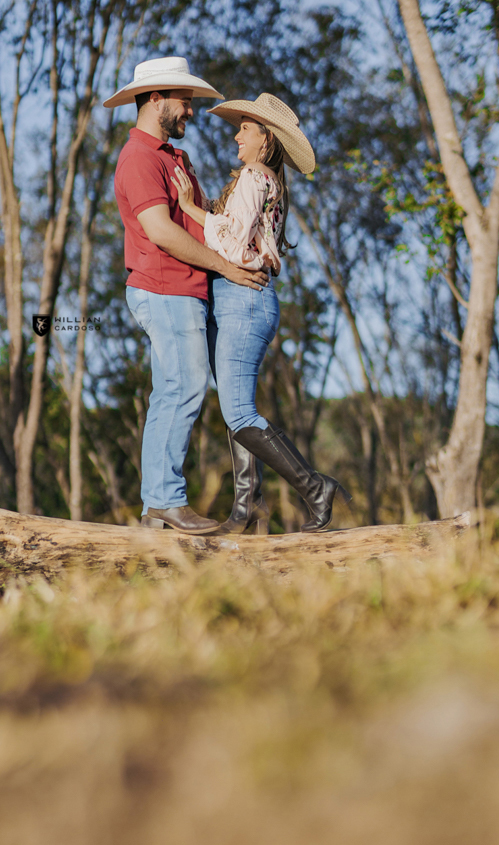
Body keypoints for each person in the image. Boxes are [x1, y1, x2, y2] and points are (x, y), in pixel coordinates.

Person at [172, 93, 351, 533]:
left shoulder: (254, 176)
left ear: (266, 139)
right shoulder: (267, 181)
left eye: (246, 129)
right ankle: (246, 508)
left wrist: (191, 209)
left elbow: (233, 246)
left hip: (243, 299)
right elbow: (239, 234)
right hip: (244, 300)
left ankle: (315, 488)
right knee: (237, 409)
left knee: (240, 413)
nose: (237, 136)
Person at [104, 57, 269, 535]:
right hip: (165, 288)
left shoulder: (174, 157)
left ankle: (159, 512)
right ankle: (163, 501)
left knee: (179, 387)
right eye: (186, 101)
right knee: (182, 387)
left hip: (186, 291)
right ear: (156, 99)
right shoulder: (139, 158)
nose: (191, 111)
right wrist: (226, 267)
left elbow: (199, 220)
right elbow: (160, 230)